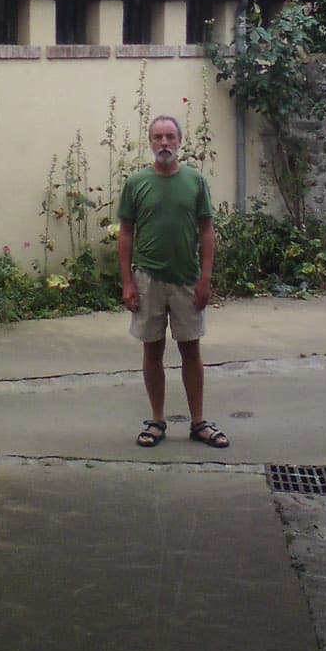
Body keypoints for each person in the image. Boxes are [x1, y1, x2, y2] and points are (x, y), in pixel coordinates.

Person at [117, 114, 229, 450]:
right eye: (157, 137)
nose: (164, 143)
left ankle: (198, 423)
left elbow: (207, 231)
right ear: (149, 142)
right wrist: (127, 282)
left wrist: (205, 277)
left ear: (180, 140)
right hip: (148, 279)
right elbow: (125, 233)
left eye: (169, 137)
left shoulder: (195, 181)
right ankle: (157, 421)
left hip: (186, 280)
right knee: (152, 350)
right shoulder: (136, 183)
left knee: (191, 350)